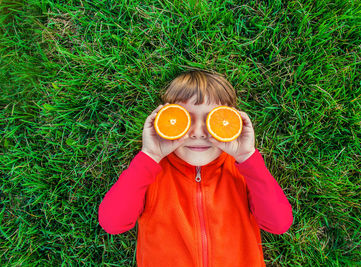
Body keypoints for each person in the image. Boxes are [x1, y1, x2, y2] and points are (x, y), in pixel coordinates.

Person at [98, 69, 293, 267]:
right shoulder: (151, 172)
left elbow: (278, 223)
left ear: (230, 123)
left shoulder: (243, 171)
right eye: (186, 119)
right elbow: (113, 223)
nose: (199, 133)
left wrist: (247, 157)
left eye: (212, 120)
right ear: (165, 121)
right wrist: (149, 155)